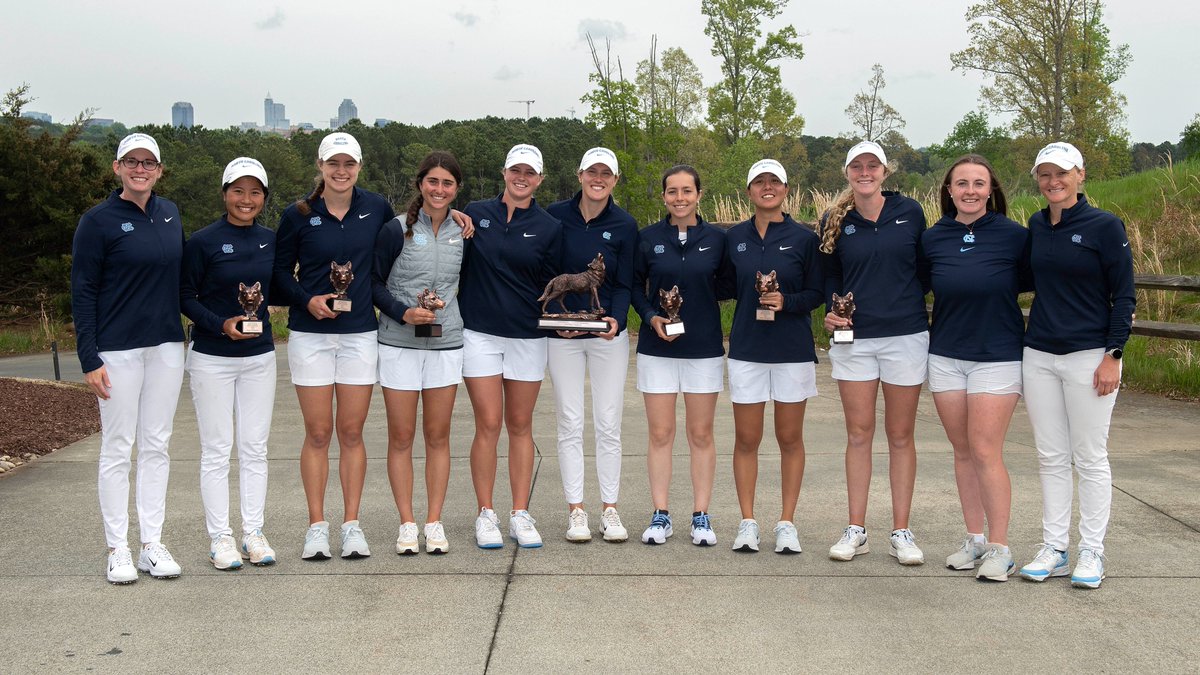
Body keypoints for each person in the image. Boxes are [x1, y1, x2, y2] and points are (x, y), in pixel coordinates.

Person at [1018, 142, 1135, 589]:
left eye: (1061, 173)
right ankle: (1055, 548)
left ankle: (1092, 550)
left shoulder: (1104, 226)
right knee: (1050, 456)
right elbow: (1023, 279)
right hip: (1040, 353)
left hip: (1091, 356)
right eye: (1045, 174)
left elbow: (1123, 294)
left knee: (1089, 456)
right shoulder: (1035, 224)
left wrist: (1114, 354)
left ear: (1080, 175)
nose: (1053, 182)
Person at [273, 132, 395, 560]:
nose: (341, 172)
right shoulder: (298, 214)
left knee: (351, 431)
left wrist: (458, 218)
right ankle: (316, 527)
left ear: (359, 166)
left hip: (361, 334)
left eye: (349, 164)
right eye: (333, 164)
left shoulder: (377, 208)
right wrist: (306, 298)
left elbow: (405, 240)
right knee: (319, 432)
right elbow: (278, 274)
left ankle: (351, 525)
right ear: (320, 167)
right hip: (310, 335)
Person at [72, 132, 186, 583]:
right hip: (115, 350)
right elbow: (82, 291)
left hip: (165, 347)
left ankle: (151, 544)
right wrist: (88, 357)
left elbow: (180, 281)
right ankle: (117, 548)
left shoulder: (170, 213)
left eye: (149, 163)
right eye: (131, 162)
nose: (140, 169)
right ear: (117, 167)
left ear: (159, 170)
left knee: (156, 444)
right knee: (118, 448)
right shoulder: (97, 221)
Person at [922, 154, 1031, 581]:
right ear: (948, 191)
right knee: (963, 450)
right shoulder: (933, 238)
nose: (970, 191)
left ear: (991, 190)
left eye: (978, 183)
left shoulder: (1015, 236)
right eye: (961, 183)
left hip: (998, 355)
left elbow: (1048, 280)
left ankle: (1001, 547)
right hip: (946, 355)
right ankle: (975, 539)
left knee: (986, 449)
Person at [820, 141, 929, 566]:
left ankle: (901, 531)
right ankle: (856, 529)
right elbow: (830, 279)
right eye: (857, 166)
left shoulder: (911, 212)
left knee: (901, 436)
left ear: (885, 171)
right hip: (855, 341)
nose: (865, 172)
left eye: (873, 165)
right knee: (859, 434)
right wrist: (831, 315)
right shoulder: (835, 219)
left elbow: (923, 273)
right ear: (847, 172)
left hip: (905, 336)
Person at [459, 144, 562, 549]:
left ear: (539, 179)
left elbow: (553, 285)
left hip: (527, 335)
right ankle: (486, 513)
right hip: (479, 333)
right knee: (487, 424)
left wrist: (566, 323)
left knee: (520, 426)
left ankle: (520, 512)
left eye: (530, 173)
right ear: (504, 172)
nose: (522, 177)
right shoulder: (474, 213)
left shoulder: (550, 226)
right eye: (516, 170)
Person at [180, 157, 278, 570]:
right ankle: (220, 538)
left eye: (255, 192)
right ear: (224, 194)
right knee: (217, 450)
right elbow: (184, 297)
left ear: (264, 198)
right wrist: (220, 324)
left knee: (255, 449)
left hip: (259, 357)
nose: (246, 199)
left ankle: (253, 532)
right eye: (238, 190)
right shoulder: (202, 241)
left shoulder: (272, 240)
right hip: (212, 358)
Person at [724, 160, 823, 554]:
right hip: (747, 350)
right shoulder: (734, 238)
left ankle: (786, 523)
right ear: (748, 191)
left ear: (785, 189)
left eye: (774, 182)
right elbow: (720, 285)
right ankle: (748, 522)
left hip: (792, 351)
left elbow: (817, 293)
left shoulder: (804, 238)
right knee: (747, 439)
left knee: (789, 438)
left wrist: (788, 301)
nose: (767, 187)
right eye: (759, 182)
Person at [372, 151, 466, 555]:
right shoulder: (396, 230)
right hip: (398, 344)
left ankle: (434, 522)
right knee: (402, 436)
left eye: (447, 183)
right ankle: (407, 523)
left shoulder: (463, 231)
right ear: (420, 184)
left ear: (456, 189)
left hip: (446, 345)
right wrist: (401, 311)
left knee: (438, 436)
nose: (439, 190)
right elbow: (374, 284)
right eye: (433, 182)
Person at [632, 165, 730, 546]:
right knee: (660, 433)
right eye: (672, 191)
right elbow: (635, 288)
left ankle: (701, 515)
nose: (679, 198)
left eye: (687, 191)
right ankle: (661, 514)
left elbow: (725, 284)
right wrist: (652, 315)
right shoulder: (647, 238)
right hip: (658, 349)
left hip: (703, 350)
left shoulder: (717, 240)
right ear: (663, 197)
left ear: (699, 194)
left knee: (701, 433)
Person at [544, 148, 638, 543]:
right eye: (592, 171)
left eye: (606, 173)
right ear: (580, 174)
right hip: (563, 336)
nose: (598, 178)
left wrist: (616, 319)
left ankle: (610, 510)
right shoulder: (553, 214)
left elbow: (627, 281)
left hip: (606, 336)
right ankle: (576, 510)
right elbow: (546, 270)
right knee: (569, 420)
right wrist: (554, 322)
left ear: (615, 180)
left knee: (608, 421)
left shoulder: (625, 224)